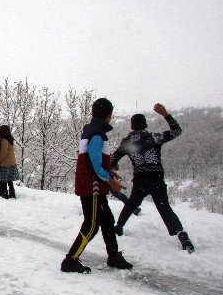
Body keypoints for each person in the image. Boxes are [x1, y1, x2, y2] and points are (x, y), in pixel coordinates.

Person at [61, 98, 133, 273]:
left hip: (92, 184)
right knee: (92, 225)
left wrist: (108, 171)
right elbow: (93, 162)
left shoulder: (92, 130)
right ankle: (70, 260)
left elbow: (93, 158)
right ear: (109, 116)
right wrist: (109, 180)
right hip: (92, 185)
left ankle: (113, 256)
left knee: (107, 220)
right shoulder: (97, 133)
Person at [111, 104, 194, 253]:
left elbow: (112, 158)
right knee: (164, 207)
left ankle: (118, 228)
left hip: (140, 180)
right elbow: (177, 131)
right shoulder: (154, 137)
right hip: (156, 178)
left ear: (131, 126)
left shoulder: (127, 142)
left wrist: (115, 165)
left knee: (131, 204)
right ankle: (181, 233)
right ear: (145, 125)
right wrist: (165, 114)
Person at [0, 125, 18, 199]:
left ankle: (5, 193)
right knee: (9, 179)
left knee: (3, 179)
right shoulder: (10, 139)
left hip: (6, 162)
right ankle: (12, 193)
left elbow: (4, 152)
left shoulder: (4, 140)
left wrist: (0, 159)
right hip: (12, 162)